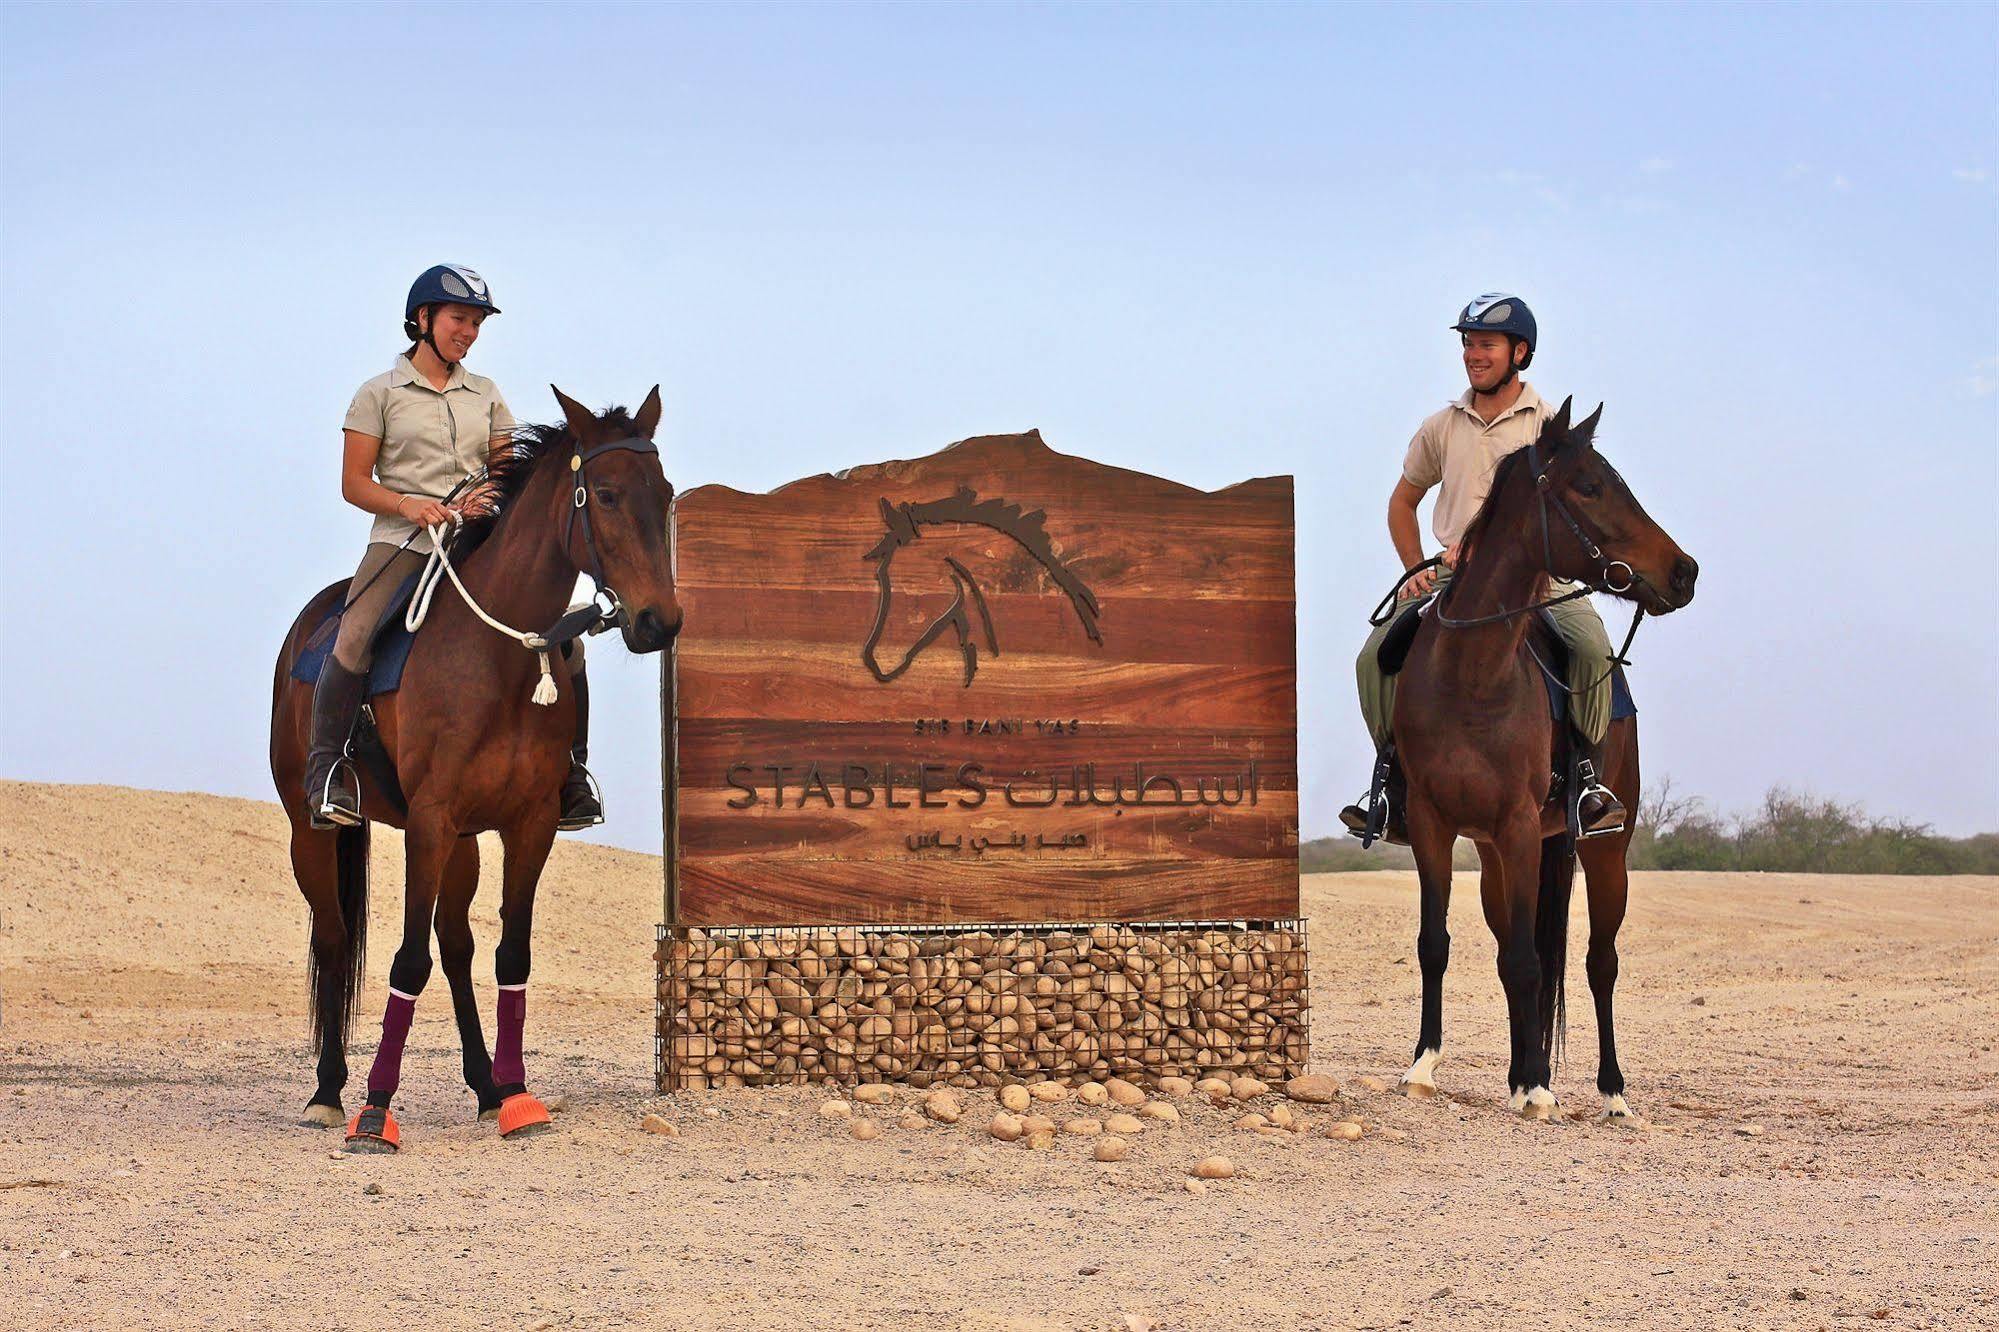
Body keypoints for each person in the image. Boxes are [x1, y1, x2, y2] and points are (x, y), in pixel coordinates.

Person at [302, 264, 604, 832]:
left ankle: (571, 776)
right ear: (423, 319)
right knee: (357, 632)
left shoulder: (485, 395)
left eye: (476, 323)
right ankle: (328, 774)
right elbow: (354, 483)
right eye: (458, 319)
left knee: (569, 642)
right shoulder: (378, 394)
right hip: (405, 542)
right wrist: (410, 506)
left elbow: (505, 471)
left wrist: (483, 498)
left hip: (477, 540)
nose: (468, 332)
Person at [1340, 293, 1623, 843]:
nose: (1474, 354)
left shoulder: (1547, 426)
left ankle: (1586, 780)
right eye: (1468, 343)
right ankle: (1390, 786)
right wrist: (1414, 567)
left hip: (1542, 580)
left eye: (1486, 344)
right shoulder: (1441, 427)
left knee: (1591, 648)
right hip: (1452, 576)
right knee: (1372, 659)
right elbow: (1403, 502)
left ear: (1520, 352)